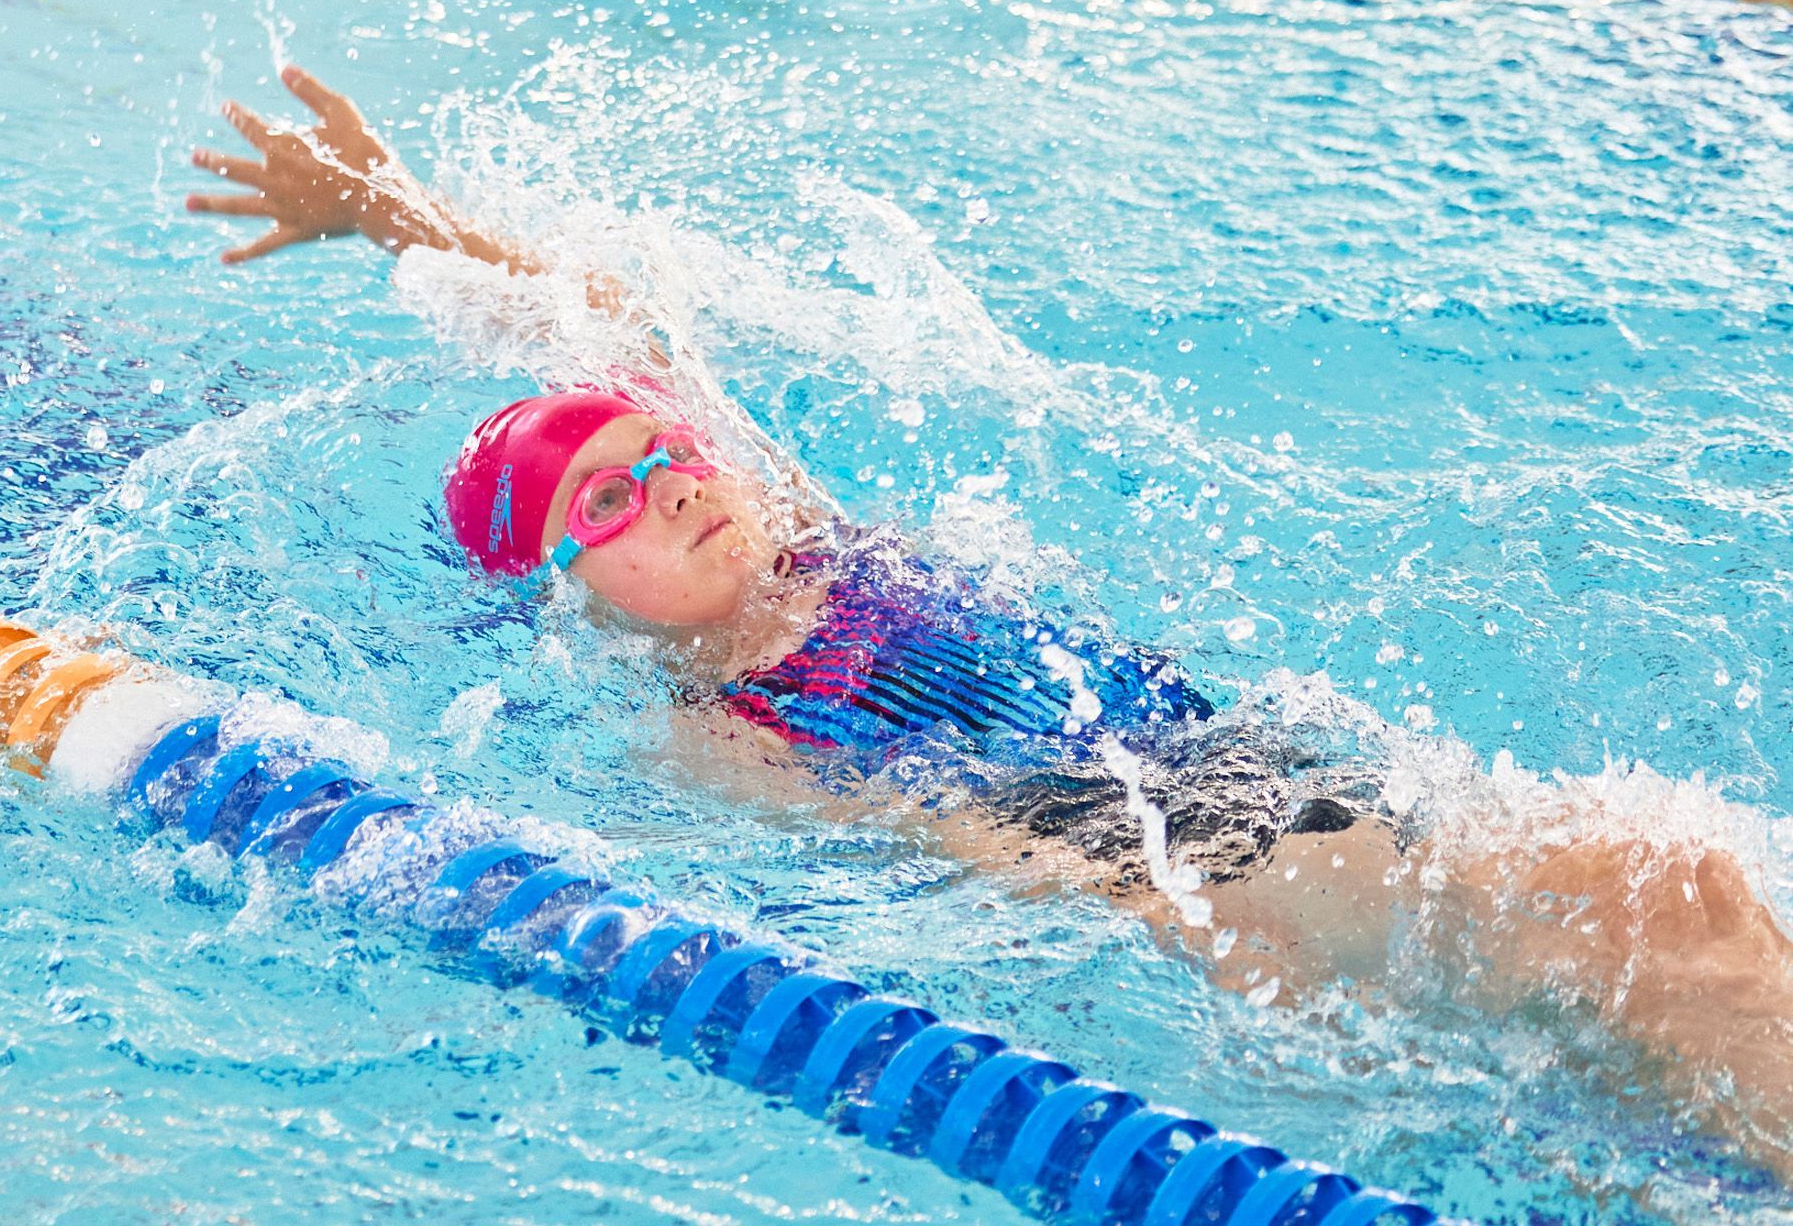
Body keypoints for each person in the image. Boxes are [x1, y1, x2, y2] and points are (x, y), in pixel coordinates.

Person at [187, 65, 1793, 1176]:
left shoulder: (814, 533)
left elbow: (600, 318)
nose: (668, 488)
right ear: (571, 600)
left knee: (1642, 974)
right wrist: (1217, 960)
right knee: (1670, 889)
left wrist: (391, 212)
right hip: (1216, 869)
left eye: (660, 455)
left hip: (1277, 782)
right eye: (603, 506)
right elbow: (957, 849)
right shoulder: (718, 729)